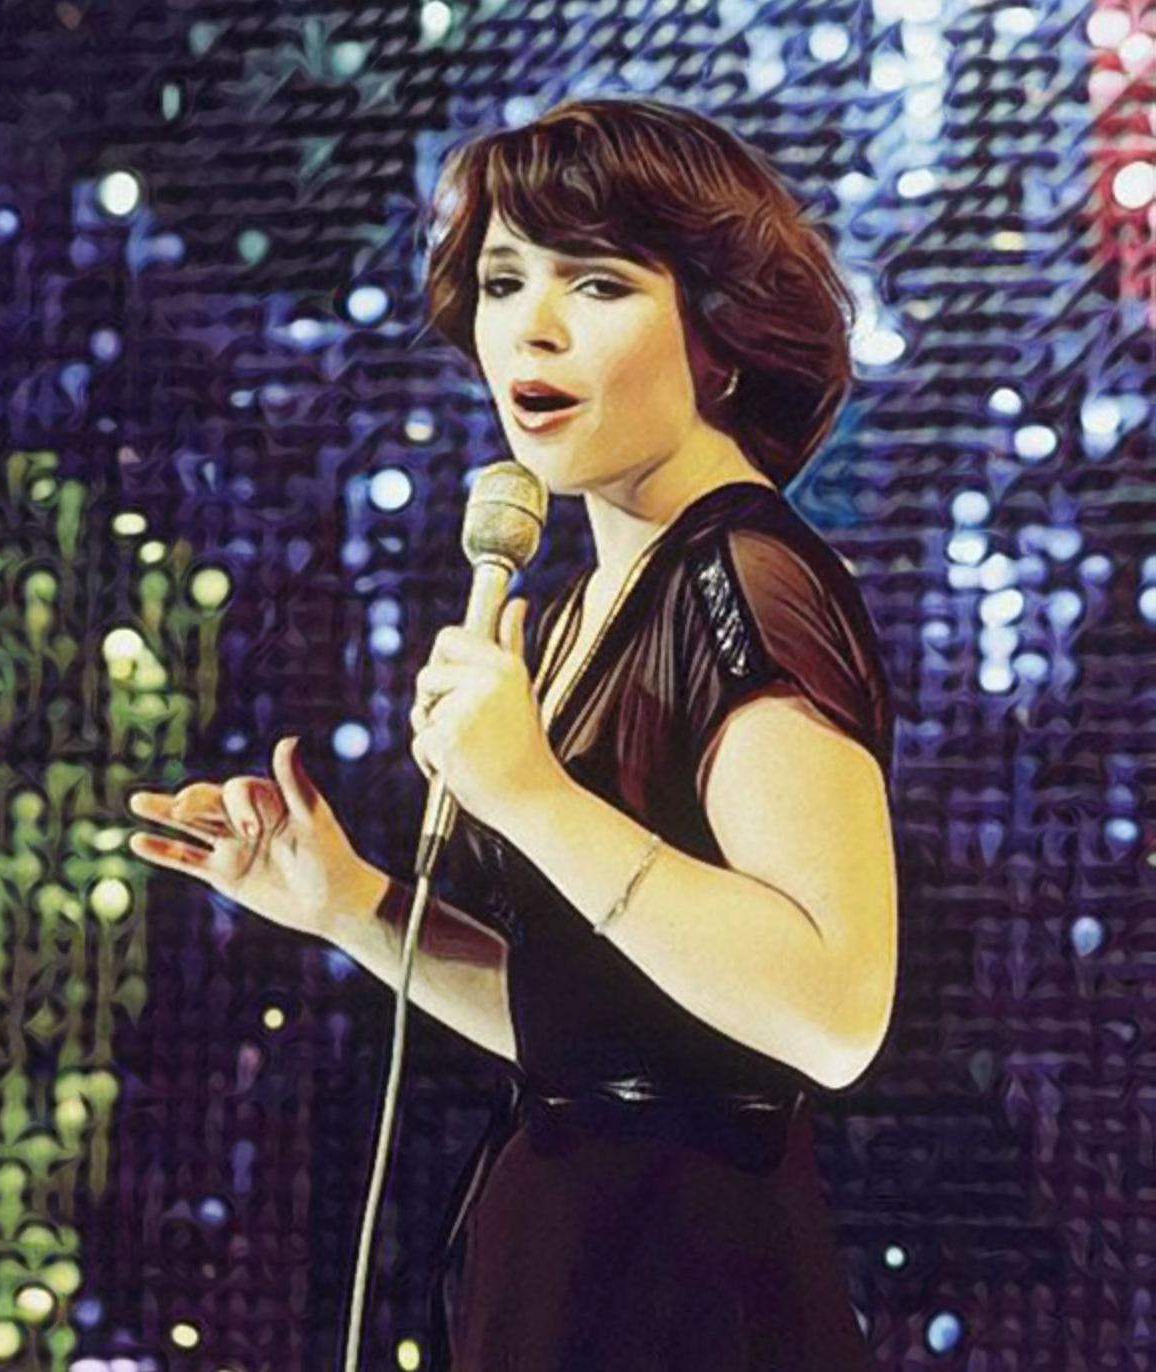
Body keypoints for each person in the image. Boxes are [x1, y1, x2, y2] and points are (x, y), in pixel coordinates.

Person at [129, 96, 898, 1371]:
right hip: (563, 1265)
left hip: (691, 1294)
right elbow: (605, 1028)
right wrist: (352, 906)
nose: (530, 326)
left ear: (717, 334)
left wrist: (534, 796)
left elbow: (830, 1009)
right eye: (501, 281)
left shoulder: (747, 579)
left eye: (595, 282)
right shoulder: (579, 604)